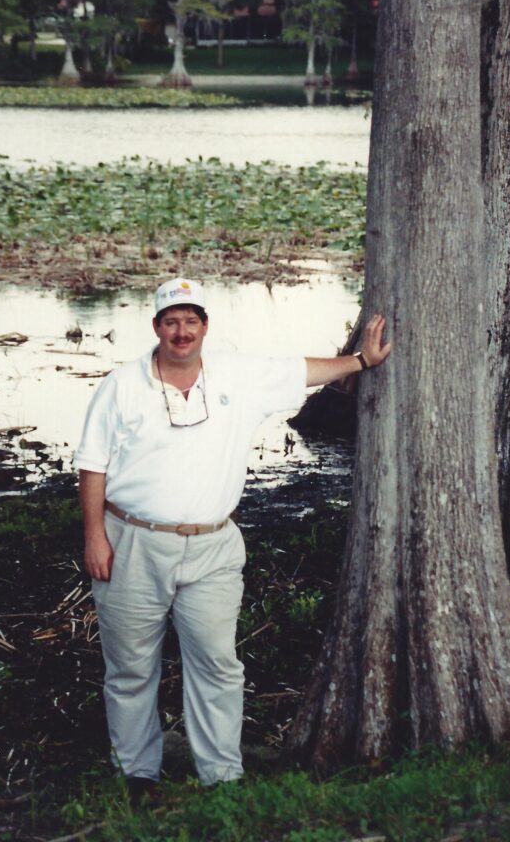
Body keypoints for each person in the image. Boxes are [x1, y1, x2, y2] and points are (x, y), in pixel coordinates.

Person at [75, 276, 391, 795]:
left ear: (205, 327)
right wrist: (95, 537)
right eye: (171, 321)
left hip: (213, 547)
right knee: (130, 667)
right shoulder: (120, 385)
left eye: (191, 321)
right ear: (156, 327)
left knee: (217, 663)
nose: (182, 332)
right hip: (131, 542)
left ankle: (220, 776)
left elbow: (300, 371)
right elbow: (91, 466)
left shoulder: (237, 375)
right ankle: (138, 772)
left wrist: (360, 362)